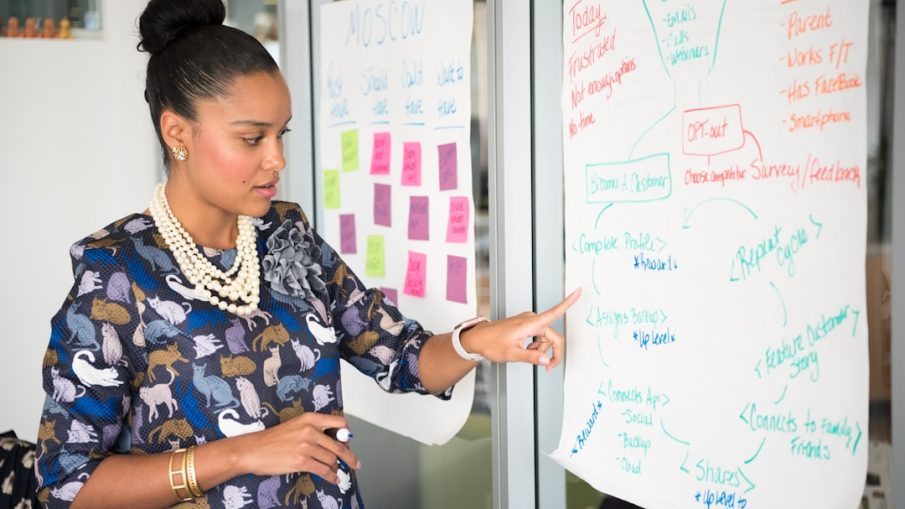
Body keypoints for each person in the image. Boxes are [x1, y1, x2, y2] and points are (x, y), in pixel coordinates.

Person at [33, 1, 580, 508]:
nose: (277, 159)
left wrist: (479, 341)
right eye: (252, 138)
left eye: (282, 134)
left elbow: (400, 356)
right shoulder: (115, 275)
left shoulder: (286, 236)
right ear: (177, 132)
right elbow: (67, 485)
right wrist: (241, 453)